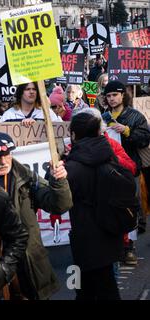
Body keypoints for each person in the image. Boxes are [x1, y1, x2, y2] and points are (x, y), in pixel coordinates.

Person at [0, 132, 73, 299]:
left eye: (7, 154)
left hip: (30, 263)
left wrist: (59, 182)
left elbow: (59, 206)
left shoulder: (28, 179)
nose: (3, 161)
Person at [65, 111, 125, 300]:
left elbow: (59, 199)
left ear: (74, 135)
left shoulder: (73, 167)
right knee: (104, 285)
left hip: (87, 237)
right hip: (110, 232)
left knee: (92, 288)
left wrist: (55, 175)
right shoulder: (107, 154)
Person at [102, 80, 150, 235]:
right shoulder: (102, 117)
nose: (111, 98)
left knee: (132, 200)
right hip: (109, 167)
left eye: (115, 94)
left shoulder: (136, 116)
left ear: (123, 95)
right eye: (108, 95)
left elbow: (145, 139)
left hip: (131, 166)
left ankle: (136, 230)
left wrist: (128, 131)